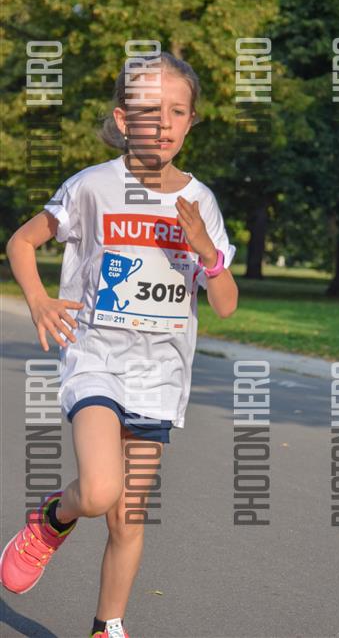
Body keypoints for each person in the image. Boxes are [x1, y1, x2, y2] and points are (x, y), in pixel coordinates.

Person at [0, 50, 239, 638]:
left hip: (160, 378)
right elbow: (22, 243)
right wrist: (39, 300)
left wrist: (207, 253)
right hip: (96, 360)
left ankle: (107, 625)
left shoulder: (201, 202)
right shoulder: (92, 187)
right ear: (124, 119)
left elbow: (226, 303)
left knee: (127, 520)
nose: (163, 123)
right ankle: (52, 519)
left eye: (177, 111)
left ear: (191, 122)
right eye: (150, 110)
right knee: (101, 490)